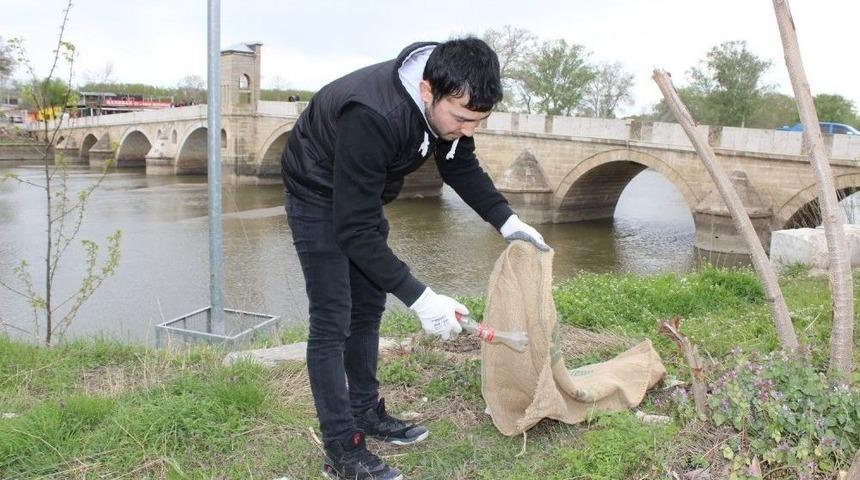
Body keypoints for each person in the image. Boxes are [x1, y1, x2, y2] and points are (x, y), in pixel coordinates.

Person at [280, 37, 549, 480]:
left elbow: (459, 164)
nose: (468, 130)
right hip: (316, 192)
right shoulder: (372, 114)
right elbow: (353, 230)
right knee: (333, 318)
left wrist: (508, 221)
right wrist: (422, 299)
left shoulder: (450, 104)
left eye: (478, 121)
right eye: (461, 118)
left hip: (362, 197)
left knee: (367, 306)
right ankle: (342, 450)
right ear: (427, 91)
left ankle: (365, 411)